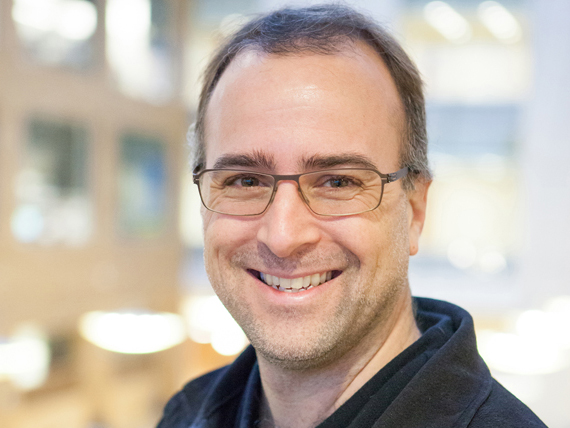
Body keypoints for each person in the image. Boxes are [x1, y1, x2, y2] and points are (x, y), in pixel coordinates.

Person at [158, 4, 546, 428]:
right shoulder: (185, 415)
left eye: (338, 182)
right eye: (245, 181)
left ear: (415, 210)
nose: (283, 236)